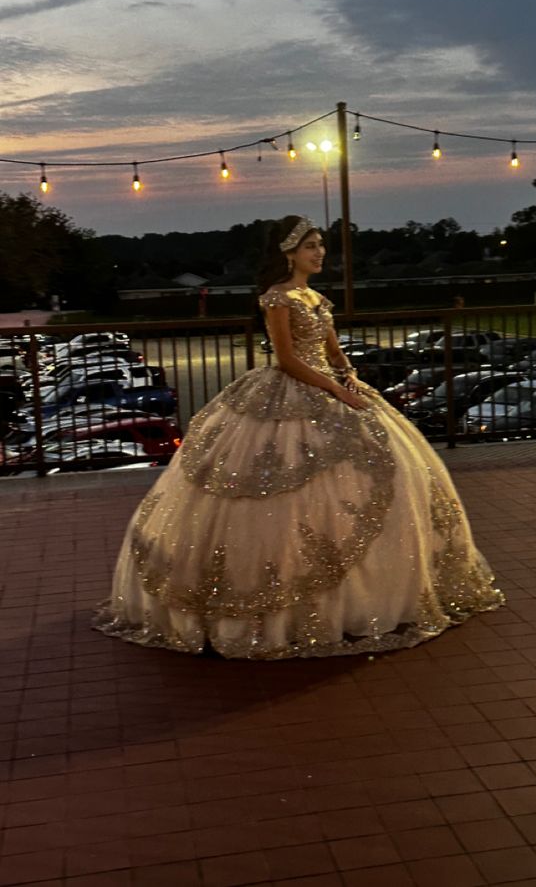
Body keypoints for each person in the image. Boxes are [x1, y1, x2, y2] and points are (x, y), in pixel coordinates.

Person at [93, 216, 504, 659]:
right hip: (291, 392)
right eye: (310, 246)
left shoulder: (316, 298)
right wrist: (332, 388)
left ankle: (379, 594)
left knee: (389, 473)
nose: (319, 252)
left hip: (331, 387)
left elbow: (332, 349)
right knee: (274, 491)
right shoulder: (278, 298)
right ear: (289, 253)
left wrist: (348, 376)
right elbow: (287, 360)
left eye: (321, 245)